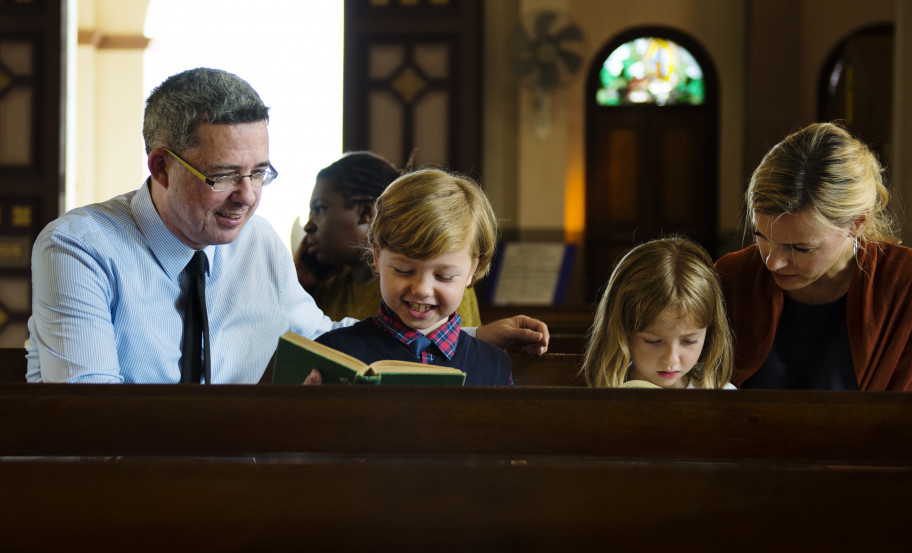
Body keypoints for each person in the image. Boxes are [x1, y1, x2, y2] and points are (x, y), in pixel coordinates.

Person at [25, 67, 548, 384]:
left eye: (260, 173)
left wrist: (472, 336)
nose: (248, 197)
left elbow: (321, 337)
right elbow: (88, 411)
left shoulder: (257, 241)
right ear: (160, 167)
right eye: (224, 175)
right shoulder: (80, 247)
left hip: (246, 491)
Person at [715, 122, 912, 391]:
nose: (772, 262)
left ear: (856, 224)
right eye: (762, 237)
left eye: (800, 248)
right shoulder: (732, 275)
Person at [310, 168, 511, 386]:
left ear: (474, 269)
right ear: (377, 256)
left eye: (444, 276)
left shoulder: (495, 366)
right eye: (404, 271)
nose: (422, 289)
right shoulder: (332, 352)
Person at [299, 151, 482, 325]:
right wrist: (301, 286)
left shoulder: (440, 287)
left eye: (320, 209)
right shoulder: (329, 284)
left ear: (366, 211)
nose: (308, 225)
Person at [581, 238, 735, 389]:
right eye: (653, 341)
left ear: (709, 334)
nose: (671, 360)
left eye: (689, 341)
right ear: (622, 330)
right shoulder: (601, 396)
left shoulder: (723, 395)